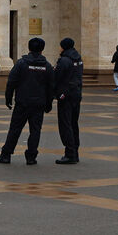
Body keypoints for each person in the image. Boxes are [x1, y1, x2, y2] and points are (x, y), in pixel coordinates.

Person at [0, 37, 55, 165]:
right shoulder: (47, 66)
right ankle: (31, 157)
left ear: (29, 48)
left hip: (23, 102)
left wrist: (8, 98)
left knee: (15, 129)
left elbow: (11, 82)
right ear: (42, 50)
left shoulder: (21, 63)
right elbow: (51, 87)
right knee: (35, 130)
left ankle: (6, 155)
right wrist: (49, 103)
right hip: (39, 104)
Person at [53, 37, 84, 165]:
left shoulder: (64, 60)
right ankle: (75, 152)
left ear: (64, 47)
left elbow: (57, 77)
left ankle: (69, 153)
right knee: (73, 123)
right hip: (76, 93)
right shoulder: (78, 58)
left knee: (65, 124)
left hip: (66, 95)